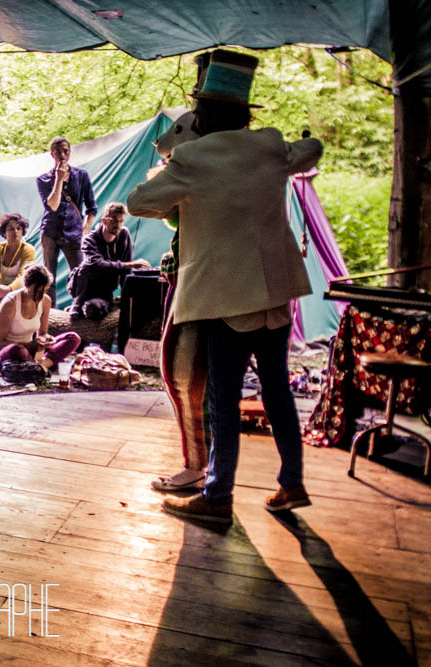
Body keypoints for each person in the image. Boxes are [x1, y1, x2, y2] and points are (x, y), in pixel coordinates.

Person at [126, 49, 322, 523]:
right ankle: (291, 483)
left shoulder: (191, 158)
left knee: (224, 400)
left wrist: (178, 181)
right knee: (277, 392)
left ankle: (218, 497)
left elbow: (138, 202)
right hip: (275, 295)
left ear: (204, 114)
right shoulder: (272, 145)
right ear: (245, 114)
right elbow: (309, 151)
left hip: (224, 299)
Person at [36, 136, 97, 302]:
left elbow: (91, 206)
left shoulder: (81, 175)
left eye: (65, 151)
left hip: (74, 232)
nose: (62, 155)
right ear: (52, 154)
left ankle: (81, 307)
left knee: (80, 273)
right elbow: (52, 206)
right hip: (51, 231)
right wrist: (58, 179)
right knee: (48, 276)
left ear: (70, 152)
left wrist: (86, 228)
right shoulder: (43, 179)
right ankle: (50, 313)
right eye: (58, 152)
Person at [68, 201, 151, 321]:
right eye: (114, 220)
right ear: (104, 221)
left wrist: (126, 297)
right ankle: (77, 304)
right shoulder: (89, 240)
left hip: (105, 289)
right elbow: (97, 264)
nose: (118, 225)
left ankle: (89, 307)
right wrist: (129, 264)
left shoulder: (124, 235)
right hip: (85, 288)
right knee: (88, 265)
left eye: (121, 221)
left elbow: (125, 271)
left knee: (94, 310)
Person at [0, 264, 80, 371]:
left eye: (45, 291)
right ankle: (44, 364)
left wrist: (47, 340)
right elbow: (0, 343)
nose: (40, 296)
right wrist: (30, 345)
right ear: (27, 285)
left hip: (30, 350)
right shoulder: (10, 303)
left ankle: (38, 366)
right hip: (7, 350)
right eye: (37, 291)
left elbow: (42, 334)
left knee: (73, 337)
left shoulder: (45, 300)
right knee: (18, 349)